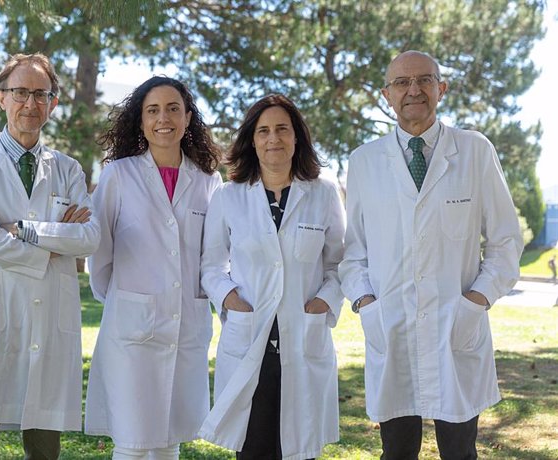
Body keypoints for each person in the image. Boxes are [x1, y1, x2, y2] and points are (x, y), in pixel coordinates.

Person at [339, 50, 523, 459]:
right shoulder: (364, 162)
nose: (413, 90)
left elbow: (505, 242)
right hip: (392, 326)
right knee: (396, 452)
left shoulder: (475, 151)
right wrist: (367, 304)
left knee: (460, 452)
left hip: (456, 326)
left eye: (424, 80)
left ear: (442, 88)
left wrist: (476, 303)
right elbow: (353, 254)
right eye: (402, 83)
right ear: (386, 95)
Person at [0, 53, 100, 459]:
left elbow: (88, 237)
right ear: (1, 98)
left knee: (45, 443)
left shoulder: (68, 170)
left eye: (40, 94)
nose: (30, 104)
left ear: (54, 103)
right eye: (19, 92)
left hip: (48, 317)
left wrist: (26, 231)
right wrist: (50, 247)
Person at [199, 94, 346, 459]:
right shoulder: (229, 196)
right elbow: (211, 267)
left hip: (302, 338)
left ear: (297, 138)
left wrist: (322, 303)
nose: (273, 138)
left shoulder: (324, 193)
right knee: (252, 448)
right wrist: (233, 301)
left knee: (300, 448)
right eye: (263, 131)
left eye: (282, 129)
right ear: (252, 140)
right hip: (251, 340)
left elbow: (341, 263)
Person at [84, 76, 222, 460]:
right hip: (131, 329)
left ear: (188, 117)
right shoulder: (118, 175)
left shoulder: (209, 181)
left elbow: (214, 256)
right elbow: (100, 256)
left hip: (186, 325)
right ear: (141, 121)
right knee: (132, 441)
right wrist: (127, 302)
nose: (164, 118)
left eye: (173, 108)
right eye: (153, 110)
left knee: (168, 439)